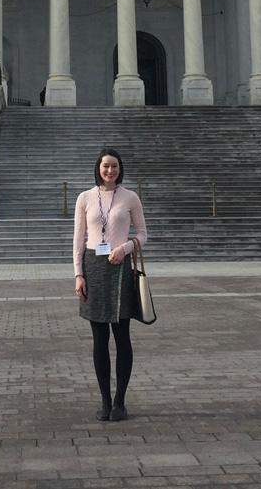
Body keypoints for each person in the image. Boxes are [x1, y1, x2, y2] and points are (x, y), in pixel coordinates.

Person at [73, 147, 148, 421]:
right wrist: (78, 274)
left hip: (119, 269)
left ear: (120, 169)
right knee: (99, 339)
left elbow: (143, 234)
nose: (110, 171)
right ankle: (105, 401)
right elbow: (78, 240)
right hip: (93, 268)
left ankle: (120, 402)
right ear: (98, 167)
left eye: (114, 166)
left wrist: (125, 248)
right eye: (106, 166)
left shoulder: (130, 197)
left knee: (122, 337)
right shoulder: (85, 198)